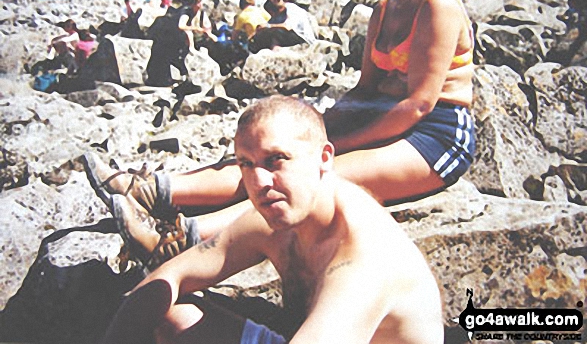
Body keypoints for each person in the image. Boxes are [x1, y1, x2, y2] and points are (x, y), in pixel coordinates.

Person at [84, 0, 475, 261]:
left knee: (310, 175)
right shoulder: (384, 10)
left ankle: (177, 240)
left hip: (435, 134)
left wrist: (332, 146)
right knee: (271, 154)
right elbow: (365, 89)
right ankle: (153, 190)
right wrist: (318, 127)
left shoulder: (437, 7)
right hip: (386, 115)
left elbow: (418, 105)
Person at [99, 95, 444, 344]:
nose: (259, 182)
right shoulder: (277, 221)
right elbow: (166, 279)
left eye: (276, 160)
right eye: (246, 164)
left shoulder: (362, 262)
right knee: (171, 315)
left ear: (324, 158)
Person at [249, 0, 316, 52]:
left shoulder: (291, 9)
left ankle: (275, 49)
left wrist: (268, 26)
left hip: (302, 38)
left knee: (275, 31)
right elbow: (271, 23)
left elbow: (287, 27)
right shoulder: (281, 12)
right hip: (290, 35)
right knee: (263, 34)